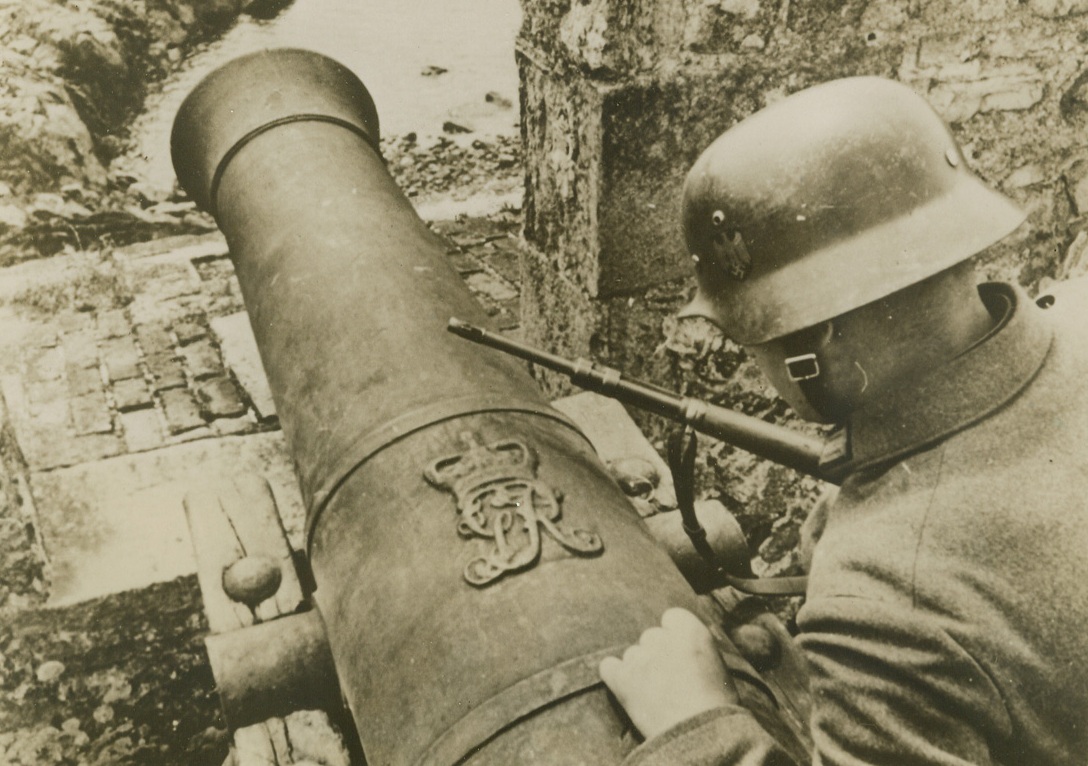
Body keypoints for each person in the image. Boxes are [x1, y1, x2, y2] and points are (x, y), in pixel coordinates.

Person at [599, 76, 1088, 765]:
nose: (754, 364)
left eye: (755, 338)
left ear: (812, 345)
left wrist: (701, 725)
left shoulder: (891, 602)